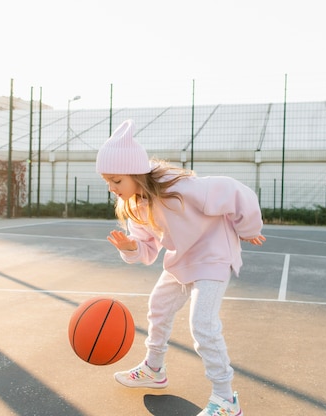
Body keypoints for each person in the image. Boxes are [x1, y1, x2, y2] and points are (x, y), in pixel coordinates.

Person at [95, 119, 265, 416]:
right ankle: (154, 369)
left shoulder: (180, 188)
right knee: (158, 306)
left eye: (116, 180)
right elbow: (147, 249)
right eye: (107, 182)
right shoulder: (136, 206)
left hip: (213, 254)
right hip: (182, 259)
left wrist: (248, 227)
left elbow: (235, 191)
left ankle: (226, 399)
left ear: (135, 172)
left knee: (203, 325)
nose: (111, 188)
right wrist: (131, 248)